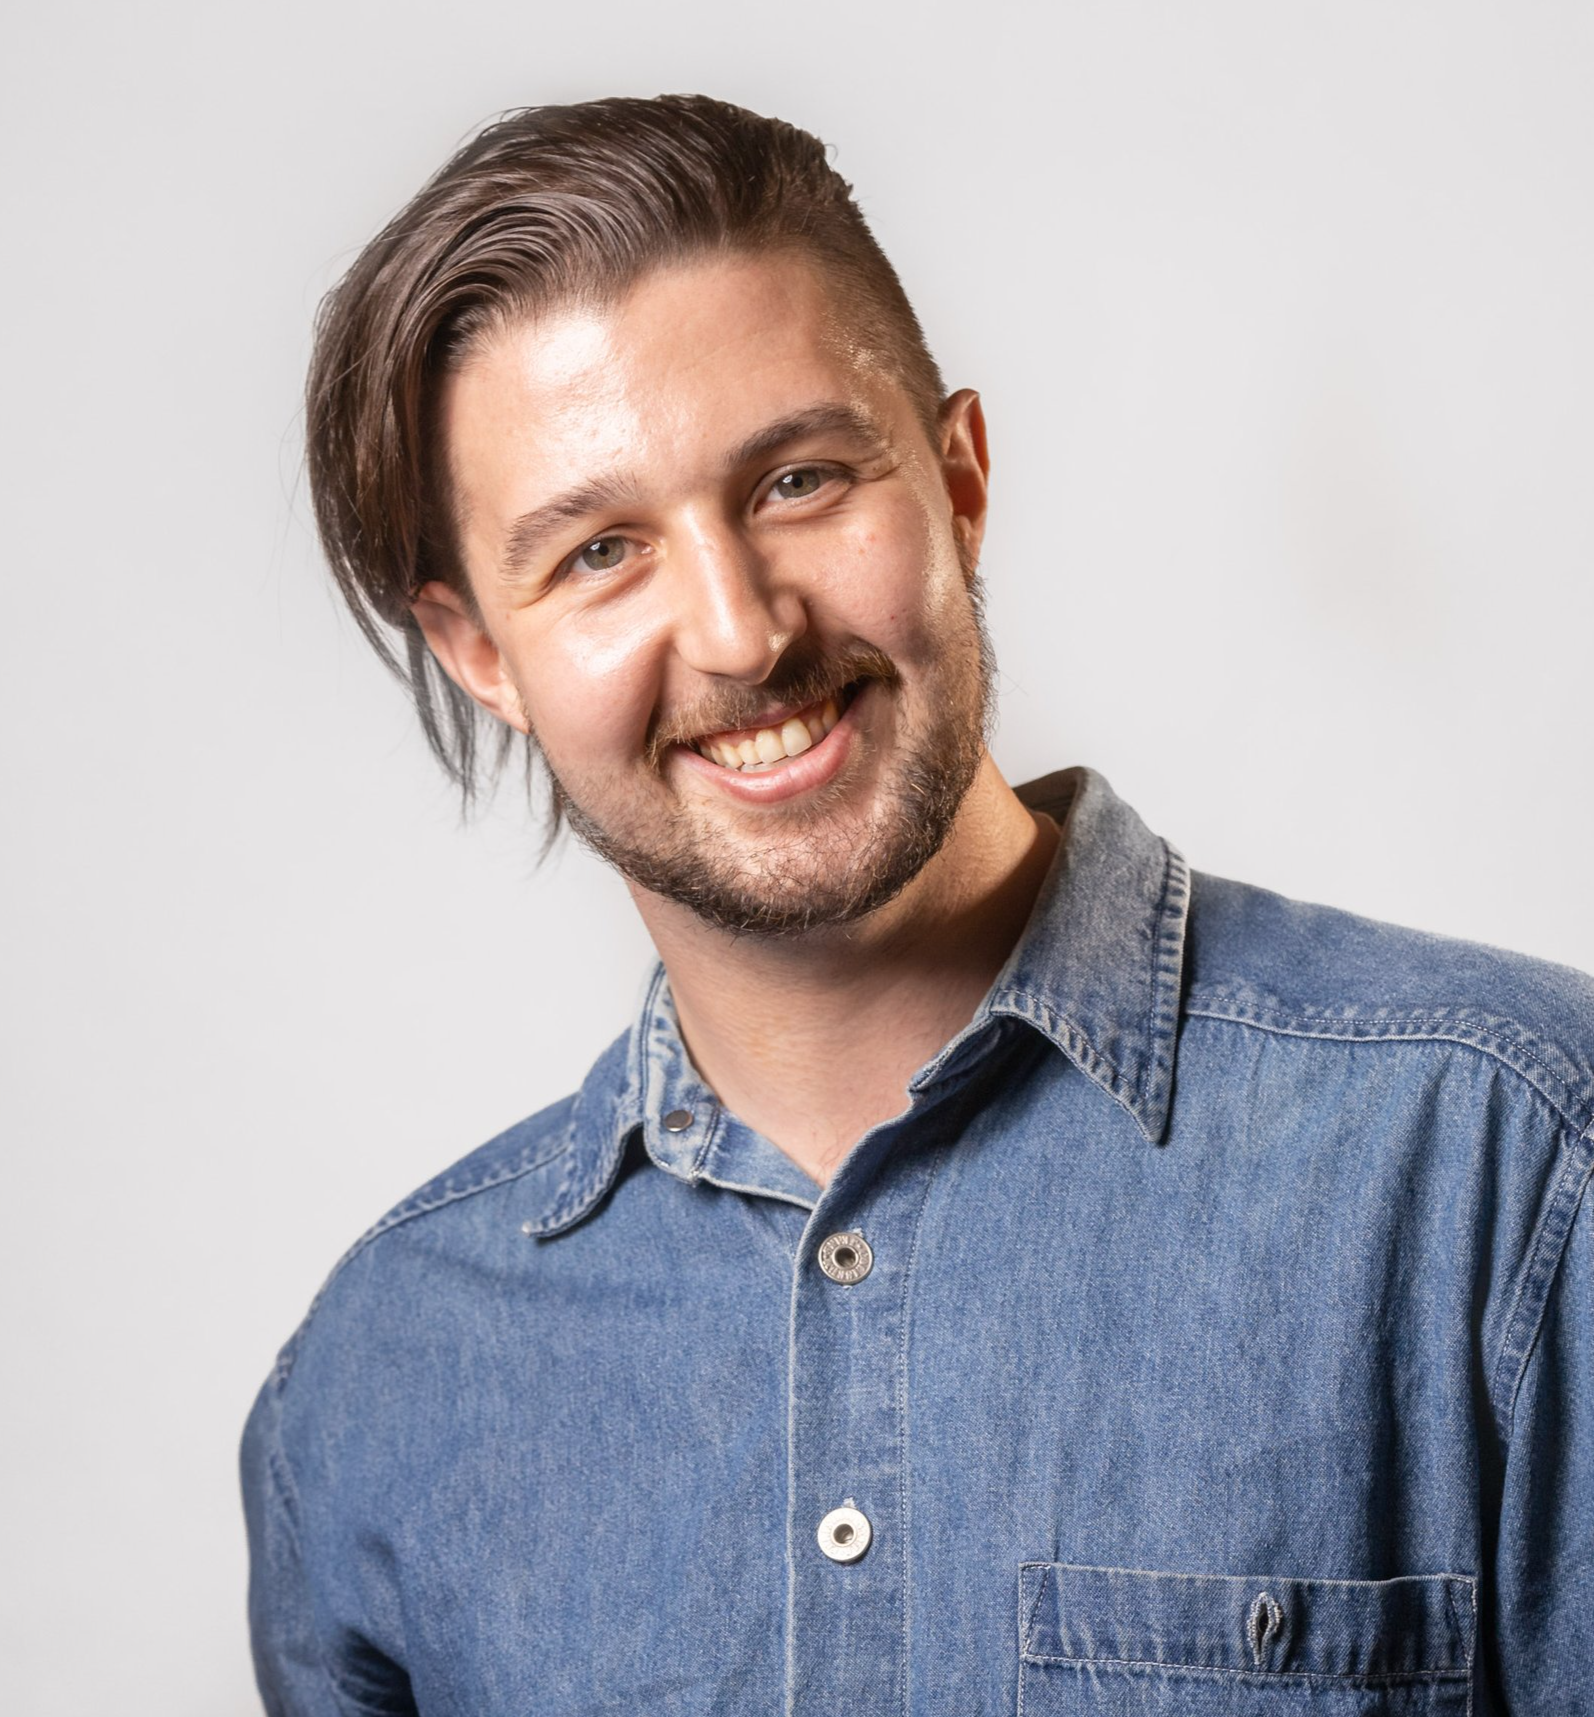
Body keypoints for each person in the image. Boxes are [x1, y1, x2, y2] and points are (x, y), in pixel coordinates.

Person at [240, 94, 1593, 1714]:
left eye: (801, 479)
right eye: (599, 553)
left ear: (957, 480)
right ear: (481, 653)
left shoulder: (1510, 1165)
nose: (740, 633)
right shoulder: (383, 1387)